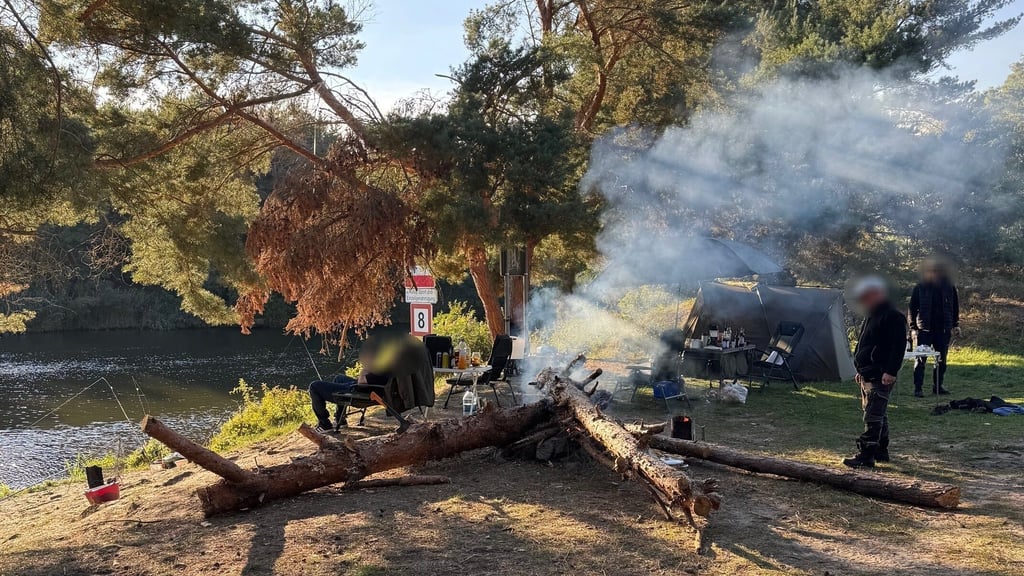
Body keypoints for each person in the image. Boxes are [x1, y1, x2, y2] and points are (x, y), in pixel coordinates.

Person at [844, 276, 907, 469]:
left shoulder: (893, 316)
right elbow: (866, 344)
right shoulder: (871, 314)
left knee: (873, 415)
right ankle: (881, 450)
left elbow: (898, 346)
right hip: (868, 372)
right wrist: (860, 370)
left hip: (881, 373)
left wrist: (890, 371)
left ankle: (867, 454)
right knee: (878, 412)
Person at [308, 339, 389, 433]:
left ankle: (325, 424)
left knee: (314, 386)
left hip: (362, 394)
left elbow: (362, 382)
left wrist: (366, 369)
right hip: (372, 389)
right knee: (339, 378)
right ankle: (340, 419)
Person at [909, 258, 960, 397]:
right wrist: (913, 328)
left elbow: (955, 307)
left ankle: (938, 386)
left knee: (941, 360)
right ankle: (918, 388)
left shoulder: (949, 287)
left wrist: (956, 325)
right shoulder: (920, 287)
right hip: (924, 330)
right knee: (920, 359)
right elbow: (912, 308)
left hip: (943, 330)